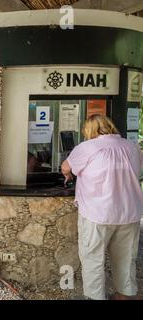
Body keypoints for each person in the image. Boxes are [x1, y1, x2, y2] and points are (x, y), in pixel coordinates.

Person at [61, 114, 143, 300]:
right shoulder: (132, 147)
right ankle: (124, 295)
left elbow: (66, 168)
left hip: (98, 214)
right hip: (129, 213)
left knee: (93, 259)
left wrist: (72, 174)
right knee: (126, 258)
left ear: (89, 130)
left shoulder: (87, 147)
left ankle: (96, 297)